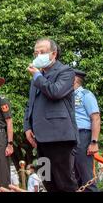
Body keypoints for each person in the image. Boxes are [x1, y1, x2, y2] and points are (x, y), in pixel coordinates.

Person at [24, 38, 78, 192]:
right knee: (47, 181)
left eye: (42, 52)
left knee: (64, 182)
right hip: (40, 139)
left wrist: (37, 77)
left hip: (59, 137)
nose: (38, 55)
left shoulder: (66, 72)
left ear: (53, 54)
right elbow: (30, 105)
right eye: (36, 52)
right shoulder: (37, 77)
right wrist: (27, 127)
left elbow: (55, 92)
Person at [73, 69, 101, 192]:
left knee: (86, 178)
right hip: (71, 137)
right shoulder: (67, 96)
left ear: (74, 79)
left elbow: (95, 119)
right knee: (76, 178)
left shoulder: (86, 95)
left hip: (83, 136)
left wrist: (94, 142)